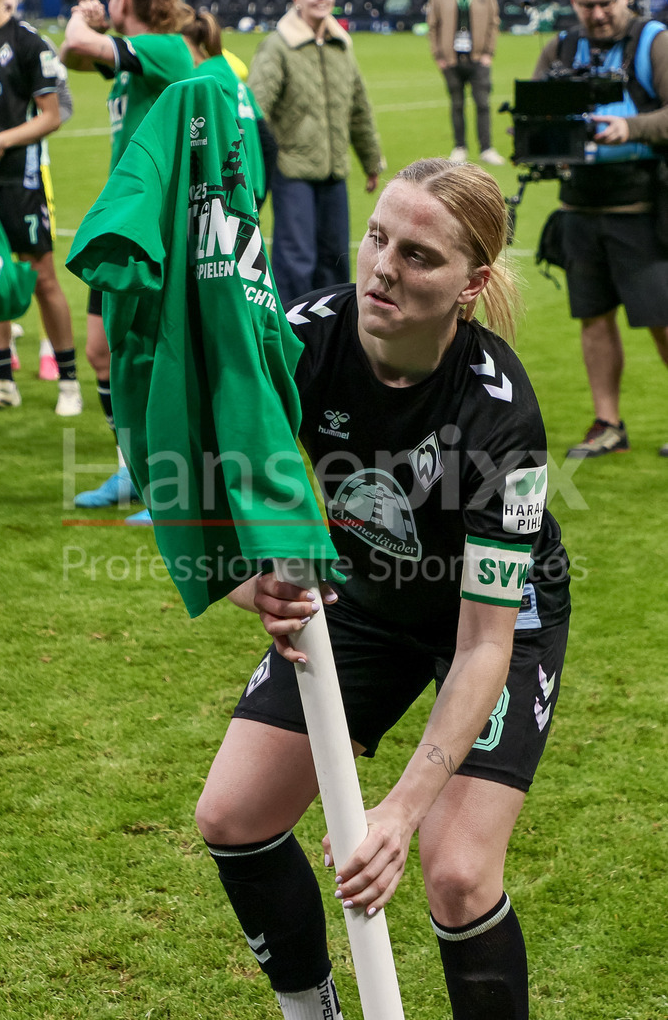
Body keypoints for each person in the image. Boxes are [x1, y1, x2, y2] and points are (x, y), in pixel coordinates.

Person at [194, 158, 571, 1020]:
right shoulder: (302, 337)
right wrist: (246, 577)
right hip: (364, 598)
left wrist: (399, 810)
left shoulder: (500, 415)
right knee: (233, 815)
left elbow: (483, 642)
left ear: (470, 284)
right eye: (375, 238)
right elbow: (203, 459)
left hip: (494, 622)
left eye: (417, 255)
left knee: (457, 872)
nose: (382, 269)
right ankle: (311, 1011)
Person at [61, 0, 194, 514]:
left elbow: (76, 41)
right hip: (122, 222)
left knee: (156, 357)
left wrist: (82, 19)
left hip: (155, 229)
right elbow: (71, 56)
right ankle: (132, 469)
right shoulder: (132, 56)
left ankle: (170, 482)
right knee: (102, 350)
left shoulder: (165, 48)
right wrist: (90, 27)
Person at [533, 0, 668, 458]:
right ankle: (608, 424)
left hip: (642, 207)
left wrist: (631, 128)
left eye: (606, 2)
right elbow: (538, 113)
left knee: (662, 319)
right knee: (593, 316)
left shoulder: (654, 42)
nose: (598, 13)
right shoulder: (561, 48)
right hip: (579, 206)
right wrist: (535, 137)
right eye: (587, 4)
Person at [247, 0, 384, 305]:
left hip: (334, 172)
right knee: (296, 263)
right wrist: (255, 167)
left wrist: (371, 160)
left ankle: (335, 329)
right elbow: (255, 110)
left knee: (336, 261)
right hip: (292, 169)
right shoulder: (277, 47)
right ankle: (290, 329)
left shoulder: (341, 46)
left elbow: (359, 108)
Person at [0, 0, 82, 414]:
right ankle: (4, 382)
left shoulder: (27, 42)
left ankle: (69, 383)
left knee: (42, 276)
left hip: (19, 179)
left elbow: (52, 114)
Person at [181, 7, 277, 208]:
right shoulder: (232, 77)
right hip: (250, 188)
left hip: (229, 194)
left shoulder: (203, 79)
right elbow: (268, 143)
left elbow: (231, 133)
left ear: (184, 42)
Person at [427, 0, 506, 166]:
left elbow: (493, 23)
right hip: (451, 60)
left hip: (479, 59)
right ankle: (459, 147)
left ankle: (486, 148)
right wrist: (438, 55)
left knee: (483, 104)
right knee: (457, 104)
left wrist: (488, 53)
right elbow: (433, 25)